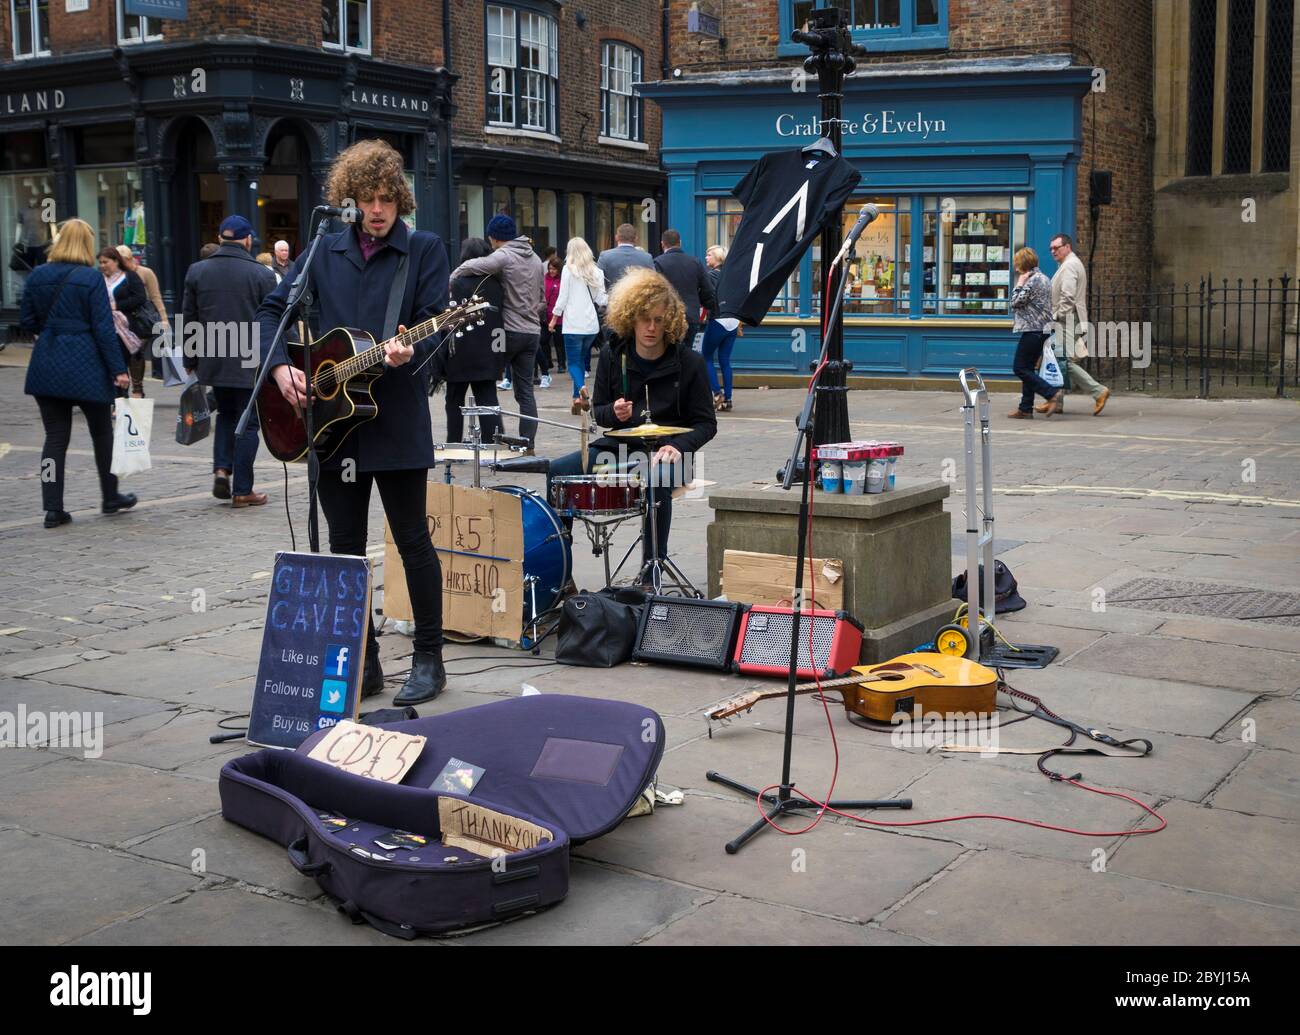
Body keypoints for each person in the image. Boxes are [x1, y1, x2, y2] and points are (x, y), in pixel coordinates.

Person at [259, 138, 451, 705]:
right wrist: (278, 373)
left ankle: (428, 659)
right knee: (344, 546)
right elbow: (275, 311)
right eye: (367, 198)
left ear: (400, 200)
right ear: (349, 199)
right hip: (330, 424)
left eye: (387, 197)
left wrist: (411, 350)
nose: (377, 208)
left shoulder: (423, 250)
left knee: (412, 540)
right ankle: (360, 661)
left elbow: (436, 325)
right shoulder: (323, 250)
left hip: (395, 417)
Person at [546, 268, 716, 580]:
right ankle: (559, 574)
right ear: (631, 318)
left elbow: (707, 423)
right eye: (644, 319)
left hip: (670, 455)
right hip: (618, 450)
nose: (651, 327)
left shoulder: (690, 363)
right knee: (557, 471)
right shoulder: (613, 355)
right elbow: (598, 412)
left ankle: (652, 569)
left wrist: (678, 446)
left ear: (670, 322)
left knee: (655, 478)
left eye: (659, 320)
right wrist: (613, 412)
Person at [20, 218, 137, 528]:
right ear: (86, 244)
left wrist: (52, 332)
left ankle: (52, 507)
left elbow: (27, 321)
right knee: (102, 434)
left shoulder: (38, 276)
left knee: (54, 439)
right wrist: (118, 369)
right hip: (87, 364)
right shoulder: (90, 278)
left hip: (47, 363)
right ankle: (110, 496)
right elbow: (102, 327)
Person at [182, 214, 278, 505]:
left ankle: (222, 470)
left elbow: (190, 318)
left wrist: (191, 358)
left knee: (224, 414)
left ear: (221, 238)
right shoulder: (262, 274)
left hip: (214, 357)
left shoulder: (197, 271)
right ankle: (242, 490)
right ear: (248, 239)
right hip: (249, 358)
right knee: (247, 423)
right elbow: (272, 320)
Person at [447, 213, 544, 446]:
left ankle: (495, 437)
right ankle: (526, 443)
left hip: (508, 331)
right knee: (525, 393)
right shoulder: (536, 259)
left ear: (494, 237)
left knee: (486, 382)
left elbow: (473, 265)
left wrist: (454, 276)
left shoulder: (503, 255)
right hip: (532, 333)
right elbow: (541, 299)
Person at [1042, 233, 1110, 416]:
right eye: (1051, 249)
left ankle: (1098, 391)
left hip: (1068, 320)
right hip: (1070, 319)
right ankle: (1056, 400)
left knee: (1061, 360)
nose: (1053, 251)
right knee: (1062, 360)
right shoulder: (1067, 264)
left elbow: (1068, 296)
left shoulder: (1070, 265)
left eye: (1056, 247)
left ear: (1068, 247)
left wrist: (1057, 315)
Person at [444, 237, 504, 445]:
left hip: (459, 352)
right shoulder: (496, 283)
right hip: (489, 350)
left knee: (454, 401)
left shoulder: (456, 282)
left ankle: (453, 442)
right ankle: (493, 442)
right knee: (488, 400)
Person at [549, 237, 607, 416]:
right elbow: (602, 300)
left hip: (573, 325)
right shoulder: (597, 271)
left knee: (573, 362)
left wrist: (553, 319)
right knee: (581, 361)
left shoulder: (568, 270)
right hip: (591, 326)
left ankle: (582, 388)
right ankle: (577, 398)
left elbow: (563, 298)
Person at [1007, 247, 1062, 419]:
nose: (1015, 268)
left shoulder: (1032, 280)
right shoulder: (1044, 278)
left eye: (1017, 264)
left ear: (1023, 264)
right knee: (1028, 368)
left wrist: (1020, 283)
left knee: (1020, 368)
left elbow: (1015, 303)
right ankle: (1025, 408)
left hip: (1033, 329)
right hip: (1041, 329)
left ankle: (1051, 393)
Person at [97, 246, 150, 398]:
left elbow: (140, 298)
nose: (102, 265)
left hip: (126, 327)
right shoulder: (98, 278)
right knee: (111, 363)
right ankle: (117, 398)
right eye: (100, 262)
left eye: (105, 262)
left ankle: (128, 394)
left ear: (115, 261)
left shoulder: (130, 276)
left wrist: (117, 306)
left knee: (124, 361)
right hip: (105, 325)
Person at [653, 229, 714, 352]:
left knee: (668, 355)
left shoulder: (658, 262)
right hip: (691, 316)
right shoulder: (695, 262)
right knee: (687, 355)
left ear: (662, 244)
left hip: (668, 316)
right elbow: (708, 290)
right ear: (679, 242)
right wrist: (703, 303)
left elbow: (655, 292)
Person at [701, 244, 739, 411]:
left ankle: (717, 393)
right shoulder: (732, 274)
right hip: (733, 322)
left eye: (709, 255)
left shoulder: (710, 276)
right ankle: (728, 399)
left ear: (717, 257)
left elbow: (708, 297)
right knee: (725, 360)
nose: (706, 258)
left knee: (706, 357)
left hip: (718, 319)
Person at [596, 222, 654, 290]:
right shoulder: (647, 257)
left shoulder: (605, 256)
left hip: (614, 299)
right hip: (639, 299)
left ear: (616, 237)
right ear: (636, 238)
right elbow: (653, 282)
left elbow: (598, 281)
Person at [541, 253, 564, 377]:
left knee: (558, 341)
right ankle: (548, 362)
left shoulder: (563, 281)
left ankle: (561, 364)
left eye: (554, 269)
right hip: (545, 315)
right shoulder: (545, 279)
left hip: (559, 316)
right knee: (543, 340)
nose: (551, 271)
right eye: (550, 268)